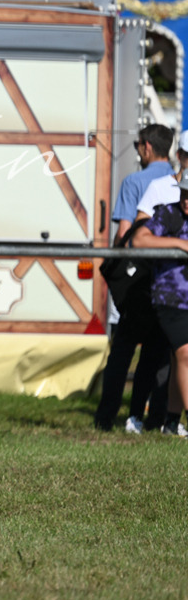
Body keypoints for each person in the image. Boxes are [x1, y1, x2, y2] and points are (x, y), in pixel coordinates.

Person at [94, 124, 174, 432]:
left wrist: (115, 266)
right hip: (168, 279)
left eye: (139, 145)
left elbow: (123, 233)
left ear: (147, 147)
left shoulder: (135, 182)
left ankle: (107, 416)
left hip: (139, 276)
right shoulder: (175, 182)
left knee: (124, 346)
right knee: (159, 351)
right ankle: (152, 417)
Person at [131, 173, 188, 436]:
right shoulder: (168, 214)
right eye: (184, 193)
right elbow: (139, 239)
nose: (186, 200)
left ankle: (172, 422)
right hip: (171, 299)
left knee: (180, 360)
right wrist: (180, 244)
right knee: (185, 355)